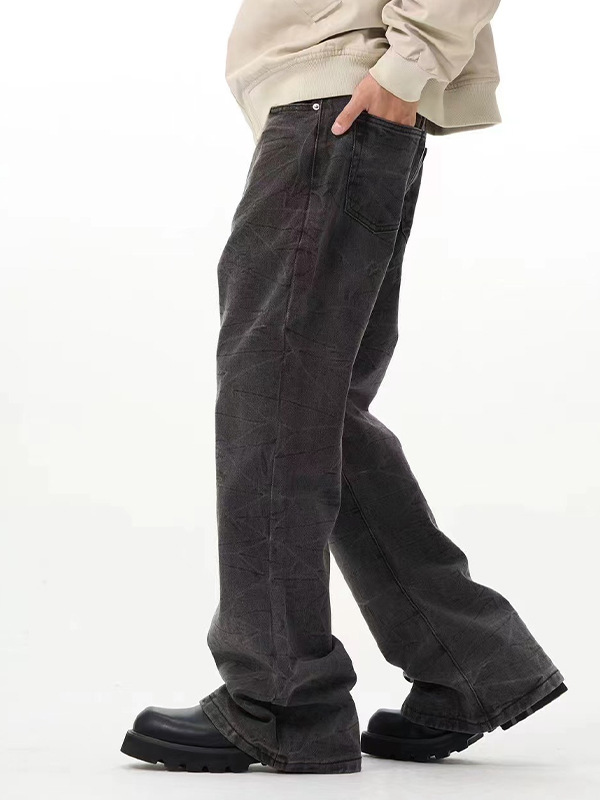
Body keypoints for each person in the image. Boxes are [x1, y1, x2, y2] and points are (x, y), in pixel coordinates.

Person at [120, 0, 567, 775]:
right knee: (315, 408)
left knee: (273, 397)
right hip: (331, 102)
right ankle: (472, 665)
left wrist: (406, 67)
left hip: (338, 99)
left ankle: (281, 701)